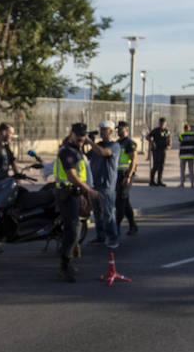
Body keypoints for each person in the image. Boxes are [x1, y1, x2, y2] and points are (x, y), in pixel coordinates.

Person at [52, 123, 99, 282]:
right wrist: (89, 190)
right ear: (71, 134)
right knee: (72, 231)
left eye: (83, 135)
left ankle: (67, 263)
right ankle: (64, 267)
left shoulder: (76, 150)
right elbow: (71, 176)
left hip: (74, 194)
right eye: (78, 134)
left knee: (73, 230)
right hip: (67, 194)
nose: (81, 137)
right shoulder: (67, 152)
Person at [88, 120, 121, 248]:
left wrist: (90, 142)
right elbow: (86, 156)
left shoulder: (115, 146)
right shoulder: (98, 145)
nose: (102, 132)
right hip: (95, 184)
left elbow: (103, 152)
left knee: (108, 213)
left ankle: (113, 238)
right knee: (97, 213)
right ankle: (100, 236)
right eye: (100, 129)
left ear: (111, 131)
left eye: (105, 129)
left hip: (106, 185)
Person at [114, 120, 139, 236]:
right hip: (117, 174)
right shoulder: (117, 143)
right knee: (125, 201)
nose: (118, 130)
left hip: (126, 174)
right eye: (118, 129)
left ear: (126, 130)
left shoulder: (130, 143)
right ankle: (133, 225)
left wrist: (129, 176)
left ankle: (116, 227)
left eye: (121, 128)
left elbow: (133, 160)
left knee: (120, 201)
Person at [147, 117, 170, 186]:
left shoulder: (166, 131)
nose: (162, 124)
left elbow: (169, 138)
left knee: (161, 165)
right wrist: (152, 142)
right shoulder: (156, 130)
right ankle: (152, 180)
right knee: (156, 165)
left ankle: (159, 180)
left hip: (163, 149)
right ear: (159, 123)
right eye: (161, 123)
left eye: (163, 123)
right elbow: (148, 136)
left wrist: (169, 144)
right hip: (156, 150)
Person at [177, 123, 194, 188]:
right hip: (191, 155)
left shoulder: (181, 135)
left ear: (184, 129)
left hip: (183, 155)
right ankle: (192, 184)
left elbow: (179, 142)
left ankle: (182, 183)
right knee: (191, 170)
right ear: (189, 128)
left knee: (182, 170)